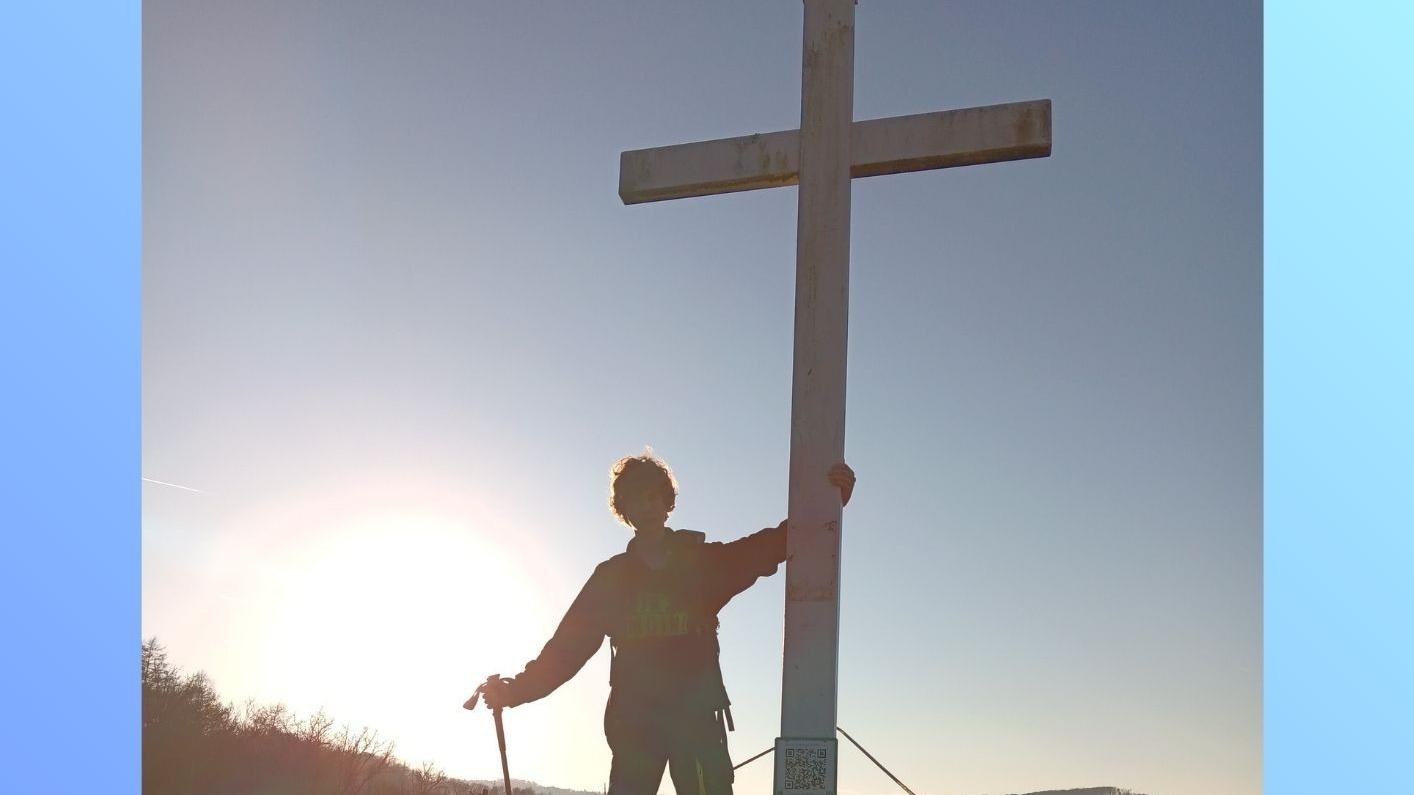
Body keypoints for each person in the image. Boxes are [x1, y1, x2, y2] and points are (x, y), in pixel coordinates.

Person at [477, 451, 856, 795]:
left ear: (665, 501)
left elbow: (765, 548)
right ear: (623, 510)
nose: (644, 506)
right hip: (636, 726)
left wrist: (829, 505)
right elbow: (566, 650)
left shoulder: (700, 564)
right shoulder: (611, 578)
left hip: (697, 724)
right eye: (633, 499)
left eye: (650, 496)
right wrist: (515, 690)